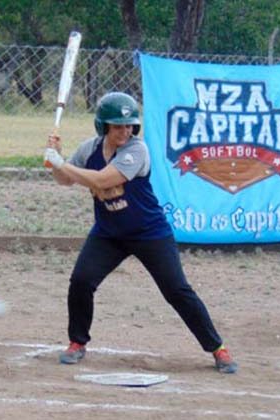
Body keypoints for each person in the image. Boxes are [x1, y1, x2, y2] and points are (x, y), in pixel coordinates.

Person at [43, 92, 238, 374]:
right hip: (109, 233)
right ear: (103, 126)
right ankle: (77, 342)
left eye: (129, 125)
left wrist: (63, 165)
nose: (125, 131)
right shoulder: (89, 149)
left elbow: (102, 179)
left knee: (176, 291)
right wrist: (56, 160)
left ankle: (218, 348)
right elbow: (64, 180)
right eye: (117, 126)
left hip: (149, 232)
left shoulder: (137, 150)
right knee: (81, 281)